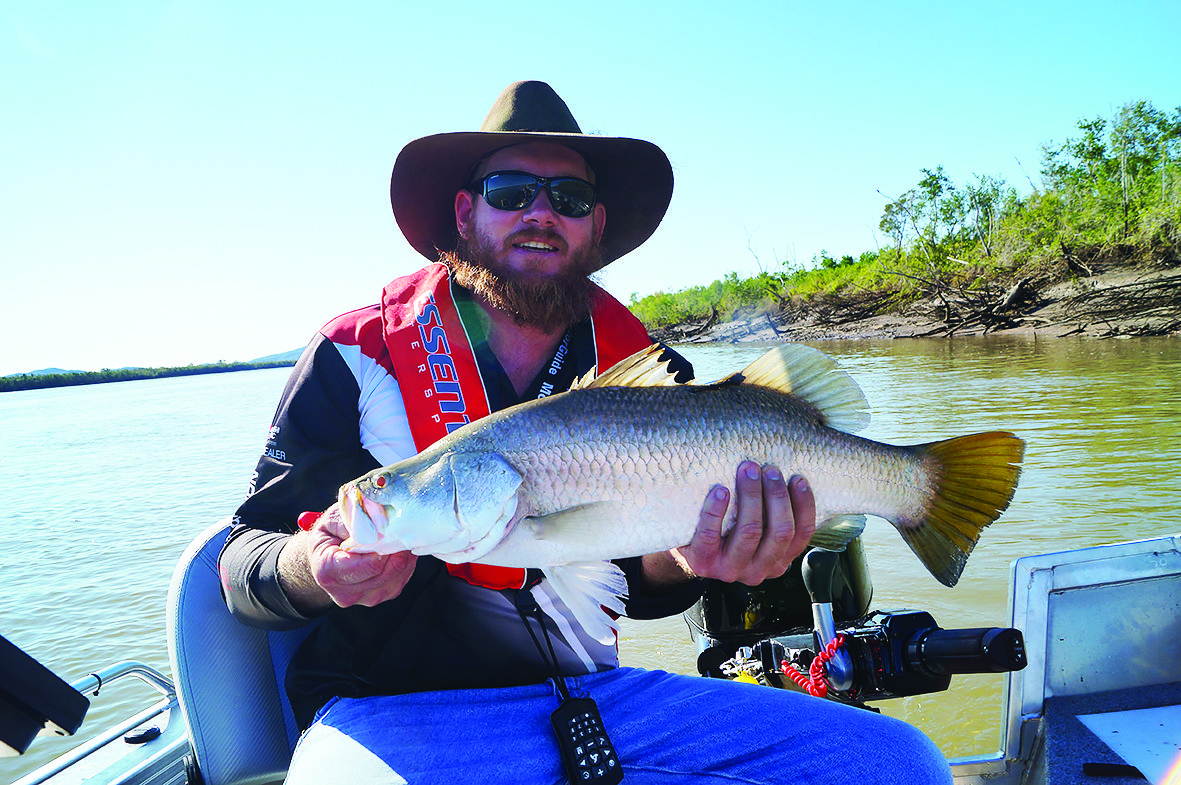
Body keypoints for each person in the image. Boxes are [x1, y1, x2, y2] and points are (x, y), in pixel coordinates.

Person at [218, 80, 952, 784]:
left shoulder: (653, 370)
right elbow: (242, 561)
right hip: (395, 713)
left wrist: (700, 559)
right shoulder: (353, 356)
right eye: (511, 192)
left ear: (595, 226)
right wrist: (314, 568)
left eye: (568, 197)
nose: (540, 212)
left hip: (599, 703)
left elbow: (637, 583)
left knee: (898, 765)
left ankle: (922, 488)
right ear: (466, 213)